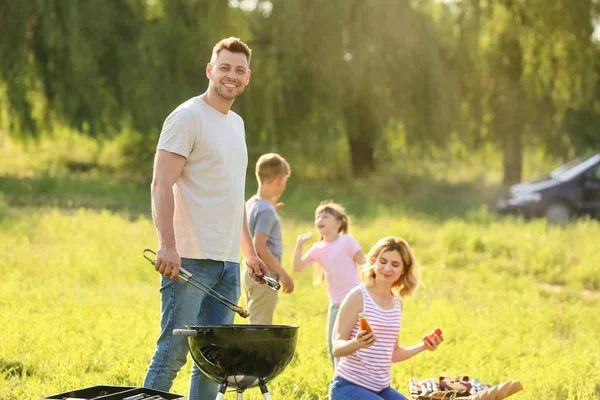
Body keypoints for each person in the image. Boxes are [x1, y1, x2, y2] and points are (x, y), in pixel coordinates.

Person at [143, 37, 270, 400]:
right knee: (173, 353)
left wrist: (249, 252)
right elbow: (160, 182)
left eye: (239, 70)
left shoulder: (237, 124)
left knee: (215, 361)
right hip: (189, 260)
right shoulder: (187, 117)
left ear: (248, 78)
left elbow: (233, 196)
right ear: (210, 70)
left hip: (227, 263)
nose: (232, 75)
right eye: (225, 67)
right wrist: (167, 244)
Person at [329, 237, 444, 400]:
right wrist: (357, 343)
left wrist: (424, 346)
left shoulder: (397, 303)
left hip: (380, 389)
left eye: (395, 264)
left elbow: (393, 354)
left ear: (403, 270)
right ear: (374, 262)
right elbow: (337, 347)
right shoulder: (358, 296)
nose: (387, 268)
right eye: (382, 261)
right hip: (348, 387)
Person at [292, 201, 366, 369]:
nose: (320, 218)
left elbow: (364, 262)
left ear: (338, 223)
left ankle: (356, 377)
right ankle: (339, 380)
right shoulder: (318, 248)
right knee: (333, 345)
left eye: (325, 216)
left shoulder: (347, 241)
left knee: (356, 343)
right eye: (317, 216)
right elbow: (298, 267)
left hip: (355, 303)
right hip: (336, 305)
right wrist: (299, 244)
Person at [242, 153, 295, 324]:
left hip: (249, 273)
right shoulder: (266, 211)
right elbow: (260, 247)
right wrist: (283, 274)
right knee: (260, 327)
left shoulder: (252, 204)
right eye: (284, 182)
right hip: (264, 276)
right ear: (279, 180)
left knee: (255, 321)